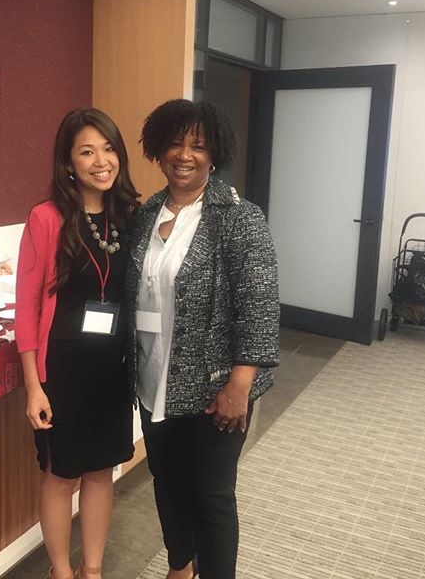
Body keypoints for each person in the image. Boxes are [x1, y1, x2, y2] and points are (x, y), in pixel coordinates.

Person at [126, 99, 279, 579]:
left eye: (198, 144)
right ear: (158, 150)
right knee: (167, 481)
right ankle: (180, 565)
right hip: (154, 379)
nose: (185, 154)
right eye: (175, 142)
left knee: (212, 496)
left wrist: (239, 385)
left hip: (216, 388)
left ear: (215, 153)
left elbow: (260, 305)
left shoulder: (238, 216)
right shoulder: (146, 214)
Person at [15, 108, 140, 579]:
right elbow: (26, 305)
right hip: (61, 371)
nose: (101, 161)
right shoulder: (46, 219)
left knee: (102, 470)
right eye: (87, 151)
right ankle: (61, 572)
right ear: (68, 162)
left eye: (108, 149)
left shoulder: (129, 215)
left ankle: (92, 570)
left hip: (112, 369)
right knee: (60, 473)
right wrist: (33, 386)